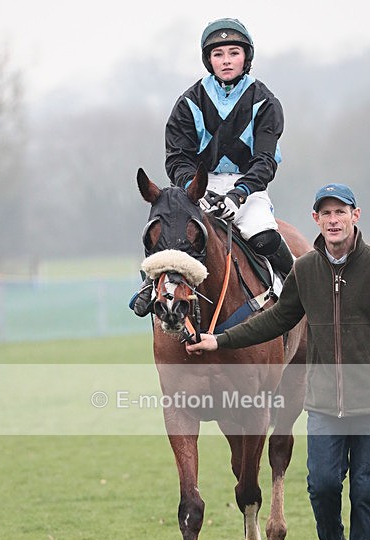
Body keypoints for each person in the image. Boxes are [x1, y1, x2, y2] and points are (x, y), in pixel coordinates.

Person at [185, 183, 370, 540]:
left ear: (355, 216)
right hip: (323, 405)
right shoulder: (305, 271)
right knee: (321, 488)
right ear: (316, 220)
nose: (334, 219)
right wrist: (218, 340)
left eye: (341, 211)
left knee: (365, 494)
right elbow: (277, 320)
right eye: (326, 213)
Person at [131, 17, 292, 317]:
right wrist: (195, 188)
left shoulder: (265, 102)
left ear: (247, 57)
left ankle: (298, 291)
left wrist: (239, 194)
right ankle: (147, 286)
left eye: (234, 52)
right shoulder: (189, 101)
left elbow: (265, 160)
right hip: (198, 188)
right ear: (209, 60)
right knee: (169, 233)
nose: (226, 61)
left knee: (264, 237)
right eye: (218, 54)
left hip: (248, 188)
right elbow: (177, 156)